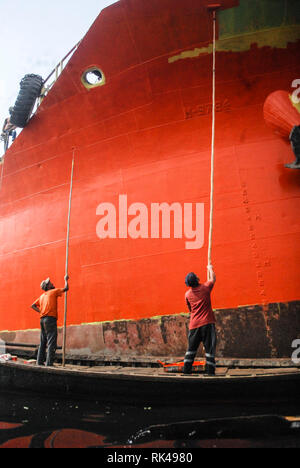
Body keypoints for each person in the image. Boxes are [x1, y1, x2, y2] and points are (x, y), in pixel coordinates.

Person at [183, 265, 216, 375]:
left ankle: (186, 371)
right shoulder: (206, 288)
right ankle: (210, 372)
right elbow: (213, 279)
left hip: (194, 325)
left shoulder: (187, 294)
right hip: (207, 323)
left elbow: (190, 309)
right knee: (209, 349)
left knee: (191, 350)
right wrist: (210, 268)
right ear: (197, 279)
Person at [31, 276, 69, 366]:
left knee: (43, 341)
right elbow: (66, 288)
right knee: (52, 341)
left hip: (42, 319)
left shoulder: (42, 296)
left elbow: (32, 305)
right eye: (50, 283)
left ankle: (39, 362)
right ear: (48, 287)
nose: (52, 283)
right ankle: (49, 363)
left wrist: (41, 312)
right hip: (50, 319)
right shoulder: (53, 291)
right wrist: (66, 280)